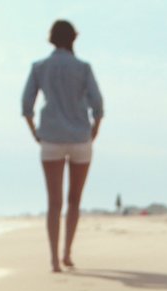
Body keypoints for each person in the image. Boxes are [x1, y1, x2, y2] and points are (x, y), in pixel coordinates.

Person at [22, 20, 104, 272]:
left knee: (54, 202)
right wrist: (94, 130)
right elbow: (98, 105)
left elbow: (26, 105)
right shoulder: (83, 67)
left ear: (51, 39)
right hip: (80, 137)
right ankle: (67, 252)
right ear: (73, 39)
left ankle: (54, 260)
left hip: (51, 137)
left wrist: (35, 132)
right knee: (74, 200)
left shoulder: (40, 67)